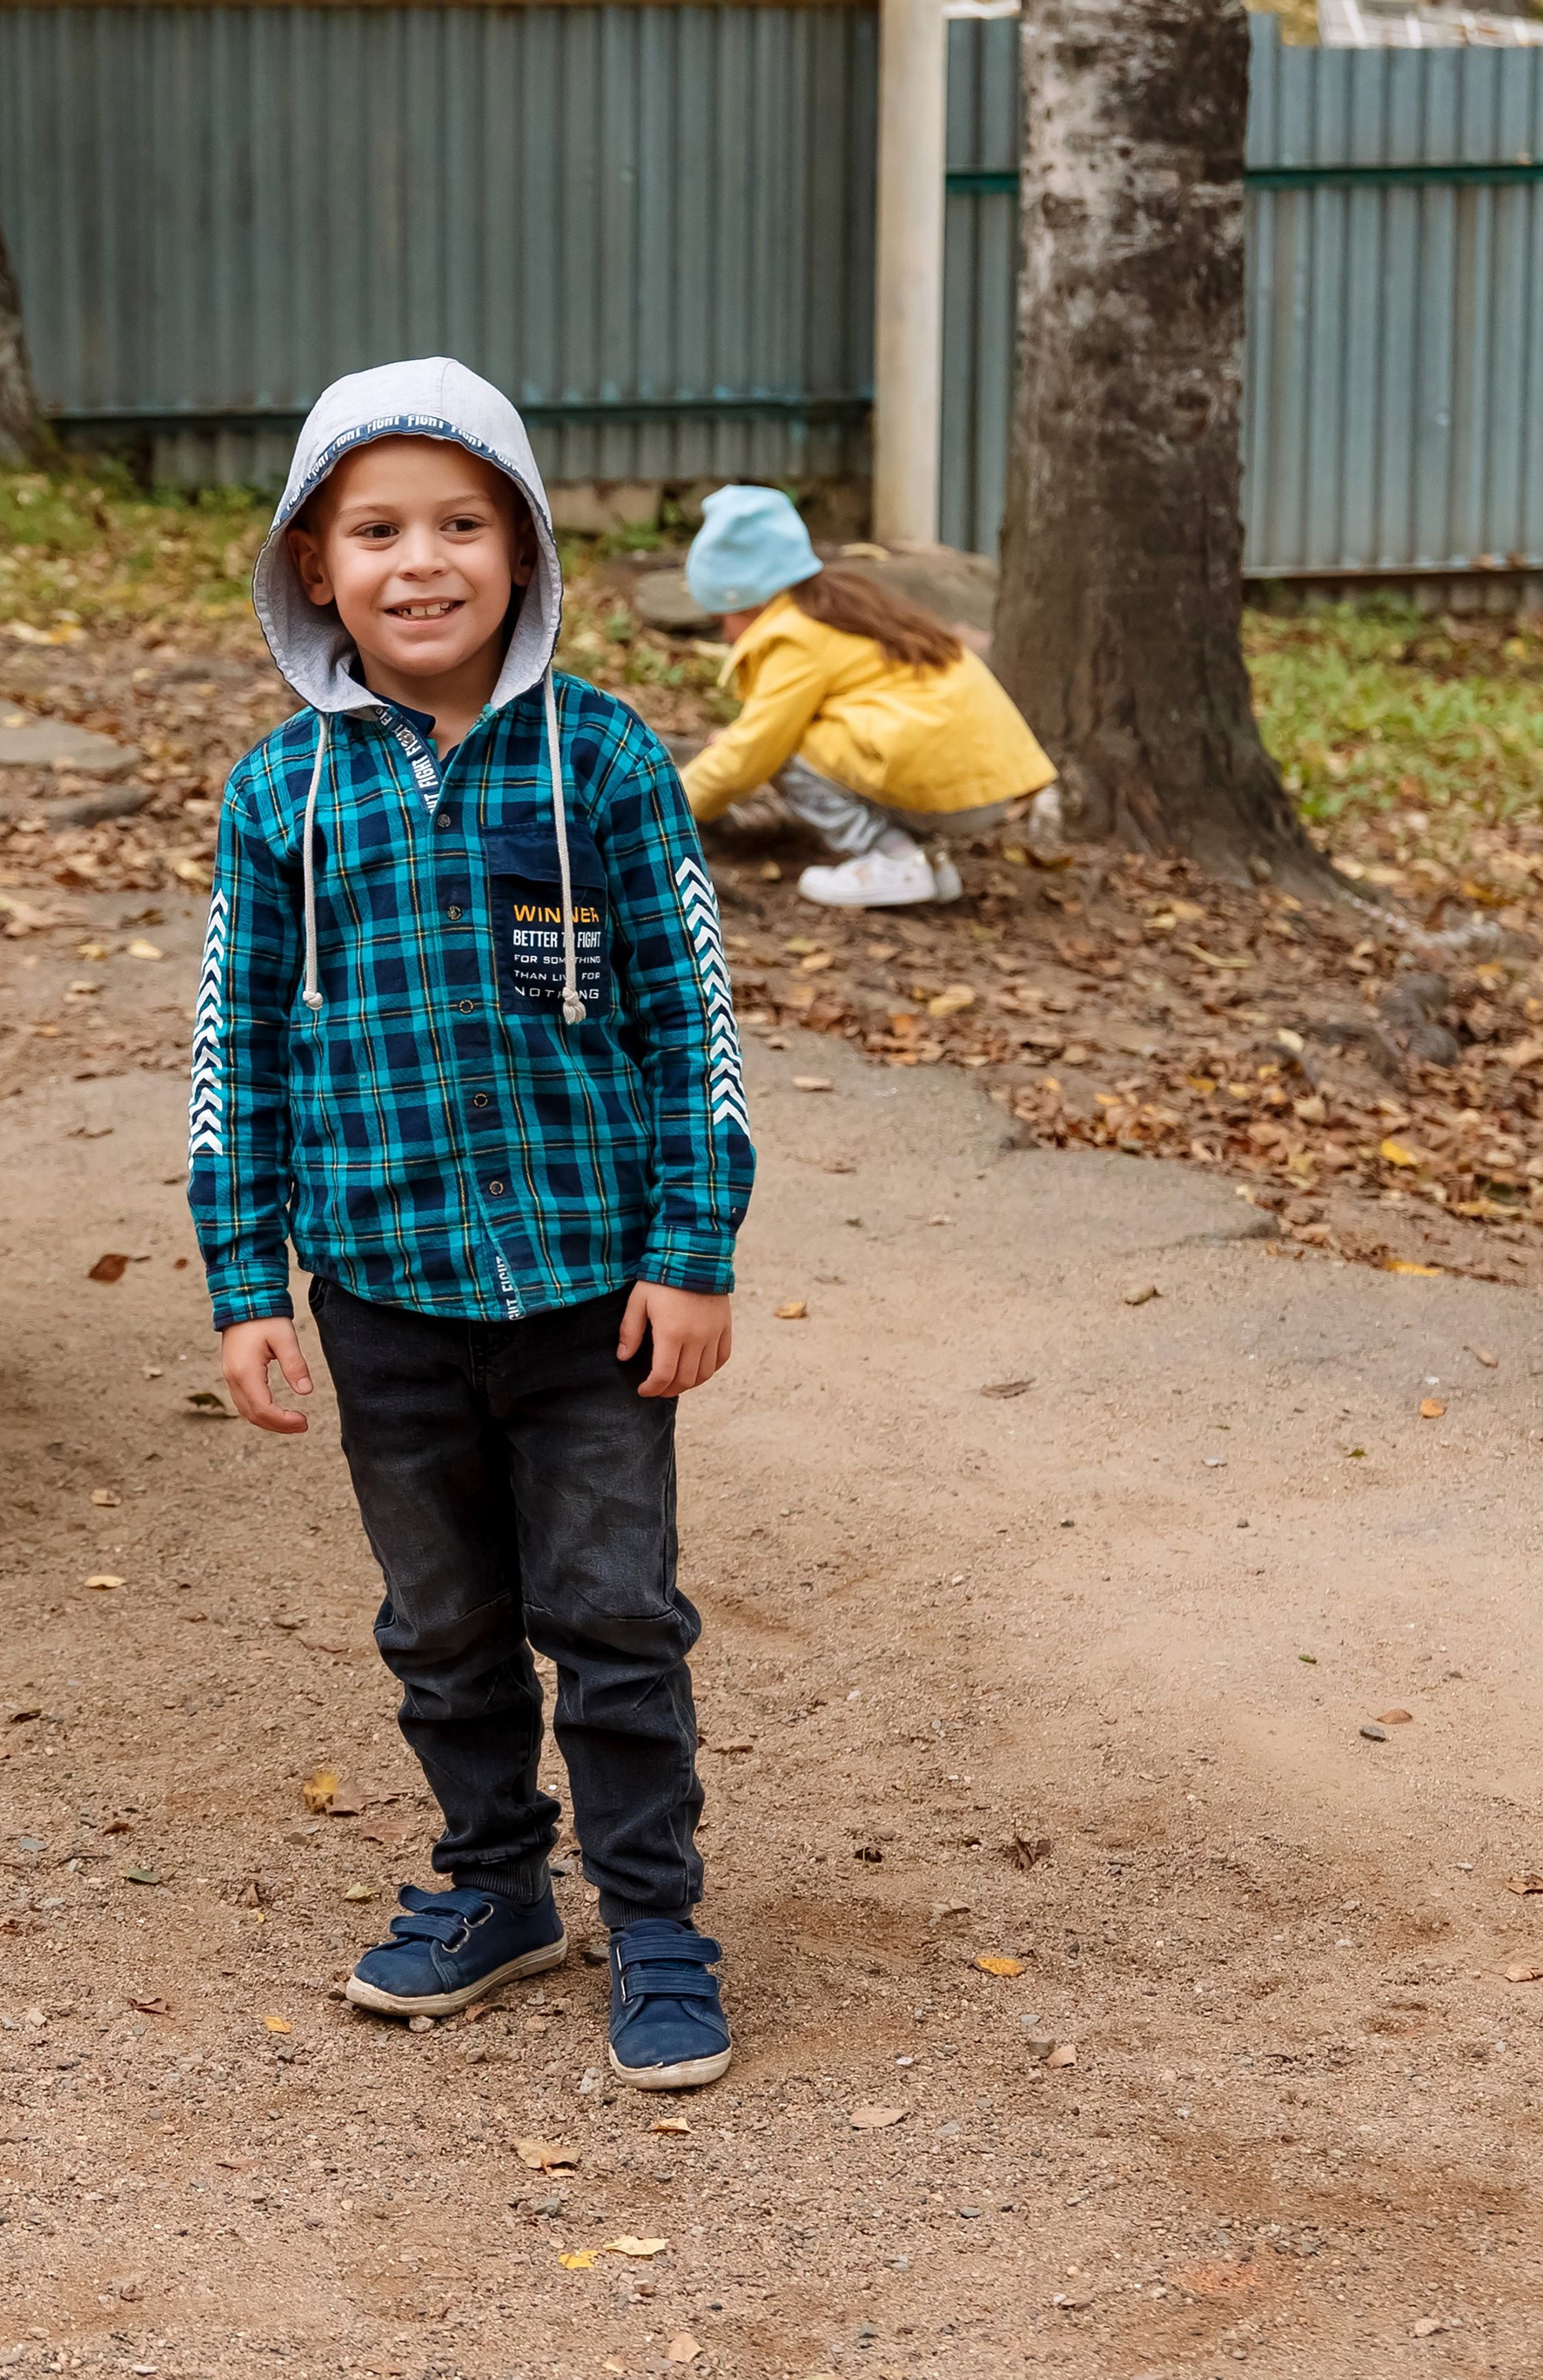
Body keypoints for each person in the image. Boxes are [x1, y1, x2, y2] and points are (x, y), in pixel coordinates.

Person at [189, 359, 755, 2091]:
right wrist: (243, 1274)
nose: (418, 561)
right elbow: (235, 1042)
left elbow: (696, 1023)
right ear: (312, 564)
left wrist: (693, 1247)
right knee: (437, 1620)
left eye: (460, 523)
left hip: (592, 1294)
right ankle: (495, 1883)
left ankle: (653, 1917)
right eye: (376, 530)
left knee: (610, 1610)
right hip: (381, 1291)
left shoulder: (602, 759)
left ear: (520, 554)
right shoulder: (279, 796)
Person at [679, 485, 1055, 909]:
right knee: (819, 739)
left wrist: (666, 810)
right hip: (982, 785)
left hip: (943, 786)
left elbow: (754, 750)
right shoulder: (843, 607)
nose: (725, 636)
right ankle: (928, 865)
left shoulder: (794, 637)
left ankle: (893, 861)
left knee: (784, 750)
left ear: (741, 598)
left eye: (721, 619)